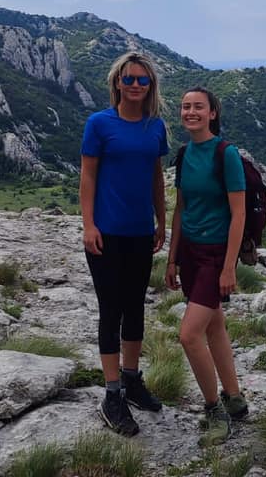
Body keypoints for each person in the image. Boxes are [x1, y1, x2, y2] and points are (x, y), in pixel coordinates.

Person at [80, 51, 168, 437]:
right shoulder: (99, 123)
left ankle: (132, 379)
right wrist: (88, 226)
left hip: (140, 232)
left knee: (135, 308)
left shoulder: (155, 127)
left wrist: (161, 220)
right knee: (111, 310)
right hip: (107, 233)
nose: (134, 85)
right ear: (117, 82)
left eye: (141, 80)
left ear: (150, 86)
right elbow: (87, 177)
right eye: (128, 78)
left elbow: (156, 177)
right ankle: (112, 394)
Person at [167, 87, 250, 446]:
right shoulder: (184, 154)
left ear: (212, 113)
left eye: (198, 107)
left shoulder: (225, 153)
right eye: (186, 107)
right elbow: (181, 209)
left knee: (189, 335)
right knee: (214, 326)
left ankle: (214, 409)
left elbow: (238, 214)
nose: (191, 112)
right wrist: (172, 258)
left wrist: (229, 267)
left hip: (215, 255)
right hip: (189, 252)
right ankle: (235, 399)